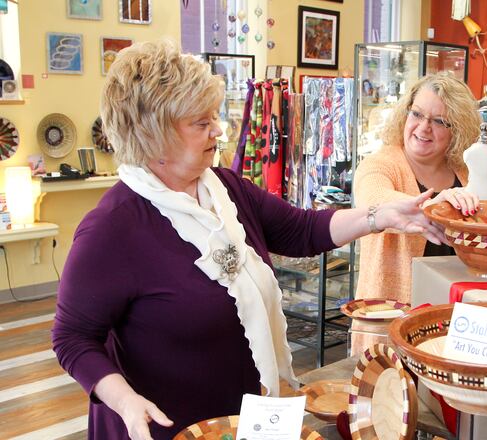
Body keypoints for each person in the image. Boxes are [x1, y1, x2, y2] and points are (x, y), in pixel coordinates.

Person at [51, 39, 444, 440]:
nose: (218, 130)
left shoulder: (225, 189)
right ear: (154, 136)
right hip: (163, 427)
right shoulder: (112, 229)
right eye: (201, 123)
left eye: (213, 117)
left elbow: (302, 230)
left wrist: (380, 216)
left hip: (245, 419)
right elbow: (72, 338)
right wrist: (124, 399)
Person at [353, 72, 482, 309]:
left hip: (454, 315)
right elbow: (373, 200)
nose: (423, 128)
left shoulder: (466, 174)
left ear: (458, 130)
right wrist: (433, 207)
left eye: (439, 121)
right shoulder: (379, 164)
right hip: (390, 317)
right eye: (417, 114)